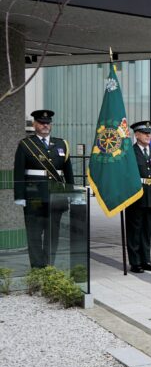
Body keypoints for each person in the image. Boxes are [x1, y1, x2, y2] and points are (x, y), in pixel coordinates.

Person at [13, 109, 76, 268]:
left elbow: (68, 172)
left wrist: (71, 193)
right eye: (41, 122)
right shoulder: (26, 144)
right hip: (34, 197)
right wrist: (20, 196)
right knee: (34, 234)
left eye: (48, 123)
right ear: (34, 124)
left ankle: (48, 267)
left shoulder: (62, 144)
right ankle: (37, 267)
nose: (45, 125)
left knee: (52, 235)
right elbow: (19, 172)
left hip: (56, 197)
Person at [123, 121, 151, 273]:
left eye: (149, 133)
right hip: (136, 196)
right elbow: (125, 176)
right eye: (144, 133)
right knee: (135, 231)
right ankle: (135, 262)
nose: (148, 135)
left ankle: (146, 260)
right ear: (137, 135)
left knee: (147, 231)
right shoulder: (129, 152)